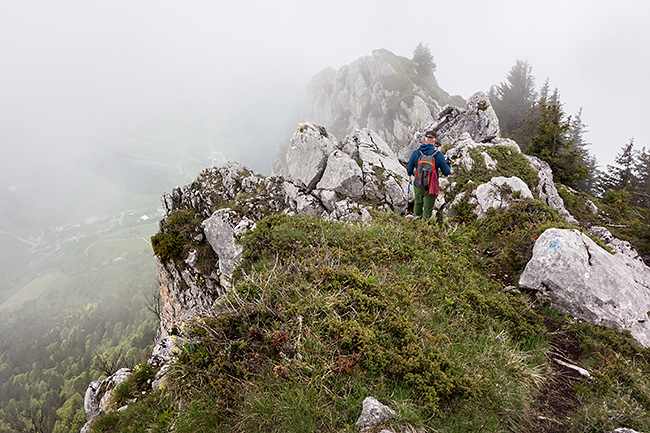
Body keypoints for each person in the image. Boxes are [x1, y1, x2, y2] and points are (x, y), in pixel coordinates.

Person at [406, 130, 451, 221]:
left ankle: (415, 224)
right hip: (431, 186)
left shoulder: (416, 153)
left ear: (424, 139)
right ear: (435, 141)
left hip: (418, 185)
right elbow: (446, 172)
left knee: (418, 203)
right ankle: (424, 228)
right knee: (427, 209)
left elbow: (409, 170)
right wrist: (448, 163)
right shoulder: (438, 155)